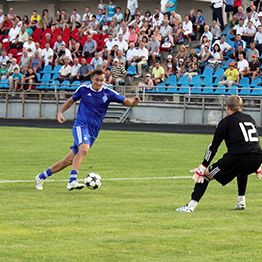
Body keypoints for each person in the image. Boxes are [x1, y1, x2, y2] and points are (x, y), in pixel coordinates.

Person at [35, 69, 140, 191]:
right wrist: (60, 112)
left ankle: (40, 177)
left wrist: (133, 103)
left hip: (93, 132)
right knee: (84, 149)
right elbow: (71, 101)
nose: (99, 83)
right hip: (81, 126)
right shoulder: (83, 89)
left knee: (68, 160)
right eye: (97, 80)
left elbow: (125, 101)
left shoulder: (108, 93)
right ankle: (72, 181)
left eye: (102, 80)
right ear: (92, 79)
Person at [176, 95, 262, 212]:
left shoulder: (225, 122)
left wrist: (203, 165)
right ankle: (241, 202)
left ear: (228, 107)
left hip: (238, 157)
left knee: (206, 175)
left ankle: (190, 206)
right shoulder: (250, 118)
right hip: (257, 158)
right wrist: (258, 165)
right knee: (242, 170)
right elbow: (254, 141)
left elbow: (213, 147)